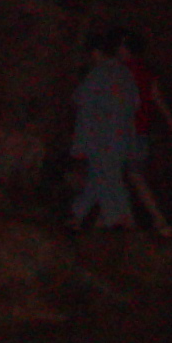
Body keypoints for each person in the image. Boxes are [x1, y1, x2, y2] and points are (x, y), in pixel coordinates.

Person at [69, 29, 141, 230]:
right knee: (100, 177)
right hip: (121, 138)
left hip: (102, 138)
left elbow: (83, 105)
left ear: (95, 53)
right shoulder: (125, 74)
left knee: (108, 180)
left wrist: (79, 145)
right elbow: (134, 106)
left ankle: (122, 223)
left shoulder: (98, 74)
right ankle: (77, 215)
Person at [115, 28, 172, 237]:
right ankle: (138, 221)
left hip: (126, 131)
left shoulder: (121, 71)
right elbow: (156, 97)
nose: (119, 49)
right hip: (140, 131)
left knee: (125, 175)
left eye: (122, 46)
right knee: (132, 176)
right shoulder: (146, 71)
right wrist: (171, 121)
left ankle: (152, 220)